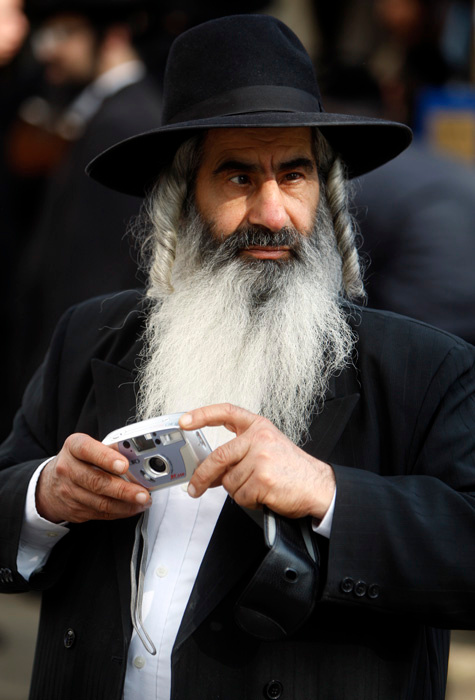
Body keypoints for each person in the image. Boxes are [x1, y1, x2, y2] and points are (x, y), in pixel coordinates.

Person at [0, 14, 473, 700]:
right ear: (182, 197)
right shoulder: (90, 336)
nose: (273, 214)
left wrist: (331, 494)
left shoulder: (425, 369)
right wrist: (46, 496)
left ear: (325, 191)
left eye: (294, 174)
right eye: (238, 176)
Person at [4, 0, 162, 435]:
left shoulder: (124, 122)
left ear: (113, 35)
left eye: (66, 32)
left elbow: (95, 277)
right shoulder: (105, 111)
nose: (48, 49)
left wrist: (57, 395)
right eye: (47, 34)